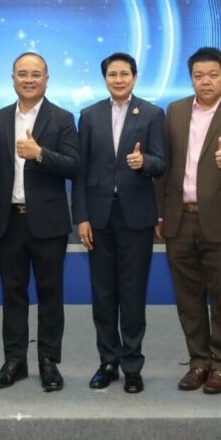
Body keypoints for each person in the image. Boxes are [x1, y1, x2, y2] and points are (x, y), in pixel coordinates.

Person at [157, 46, 221, 395]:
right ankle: (198, 362)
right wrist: (161, 212)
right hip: (179, 219)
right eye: (198, 76)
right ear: (191, 79)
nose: (205, 81)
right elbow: (165, 166)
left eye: (213, 75)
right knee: (188, 298)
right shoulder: (175, 111)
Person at [0, 51, 80, 392]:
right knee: (13, 294)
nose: (28, 79)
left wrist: (40, 154)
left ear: (46, 79)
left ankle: (49, 362)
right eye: (22, 73)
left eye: (35, 74)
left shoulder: (62, 118)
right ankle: (15, 361)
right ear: (12, 78)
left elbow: (73, 166)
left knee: (50, 294)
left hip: (49, 223)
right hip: (9, 221)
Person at [71, 52, 166, 394]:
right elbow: (80, 171)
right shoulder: (89, 115)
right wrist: (81, 217)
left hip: (135, 215)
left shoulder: (152, 113)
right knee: (103, 293)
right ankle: (107, 362)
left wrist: (144, 162)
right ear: (105, 79)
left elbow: (161, 162)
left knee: (133, 292)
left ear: (135, 77)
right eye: (112, 74)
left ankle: (132, 366)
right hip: (98, 216)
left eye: (124, 74)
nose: (118, 79)